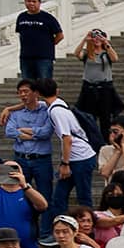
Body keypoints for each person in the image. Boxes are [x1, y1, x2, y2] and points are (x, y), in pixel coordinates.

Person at [42, 80, 100, 221]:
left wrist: (65, 163)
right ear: (57, 91)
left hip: (80, 158)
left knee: (83, 197)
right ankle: (62, 227)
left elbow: (67, 139)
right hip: (78, 157)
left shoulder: (56, 111)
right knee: (59, 197)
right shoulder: (59, 104)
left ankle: (87, 228)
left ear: (38, 93)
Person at [1, 80, 57, 207]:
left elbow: (46, 132)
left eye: (26, 91)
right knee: (13, 193)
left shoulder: (46, 109)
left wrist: (22, 131)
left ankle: (45, 227)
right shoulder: (15, 113)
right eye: (20, 92)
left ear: (35, 93)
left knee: (45, 196)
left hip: (41, 160)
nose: (23, 95)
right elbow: (9, 132)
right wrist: (33, 135)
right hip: (19, 158)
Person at [74, 29, 123, 126]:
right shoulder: (87, 53)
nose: (96, 40)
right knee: (89, 117)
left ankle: (105, 139)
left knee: (105, 116)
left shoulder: (106, 52)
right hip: (89, 87)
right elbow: (76, 54)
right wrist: (85, 40)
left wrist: (106, 42)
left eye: (99, 37)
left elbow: (115, 58)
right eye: (94, 37)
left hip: (105, 87)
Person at [14, 0, 63, 86]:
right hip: (26, 57)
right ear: (25, 2)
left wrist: (48, 45)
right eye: (28, 1)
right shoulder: (21, 17)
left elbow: (60, 35)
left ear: (39, 3)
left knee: (45, 84)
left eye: (34, 1)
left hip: (44, 57)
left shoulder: (47, 18)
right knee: (28, 84)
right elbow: (19, 33)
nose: (31, 3)